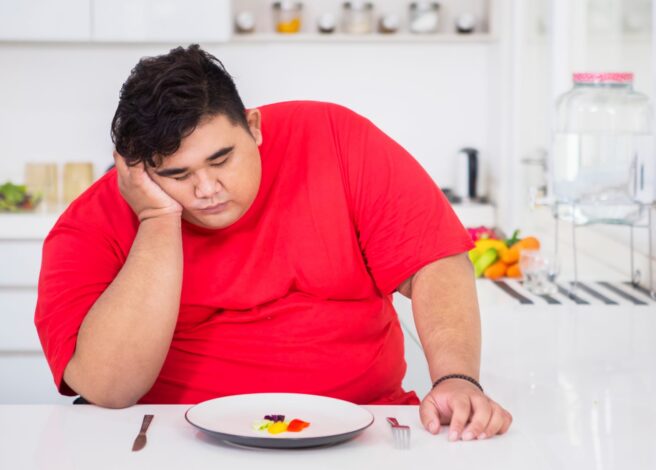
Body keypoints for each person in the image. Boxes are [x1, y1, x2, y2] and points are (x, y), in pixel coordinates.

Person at [34, 44, 512, 441]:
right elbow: (108, 389)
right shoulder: (89, 224)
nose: (206, 189)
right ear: (136, 171)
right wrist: (157, 218)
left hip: (361, 425)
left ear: (254, 126)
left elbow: (433, 260)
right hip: (173, 436)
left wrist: (456, 379)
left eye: (221, 159)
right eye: (177, 175)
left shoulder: (336, 138)